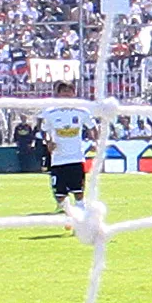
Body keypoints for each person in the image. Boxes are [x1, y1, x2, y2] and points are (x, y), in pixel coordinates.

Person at [35, 80, 96, 213]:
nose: (66, 94)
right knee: (60, 195)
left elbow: (93, 128)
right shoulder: (50, 113)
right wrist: (48, 141)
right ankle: (68, 213)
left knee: (78, 193)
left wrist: (95, 143)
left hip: (76, 158)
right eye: (64, 91)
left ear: (74, 93)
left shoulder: (82, 111)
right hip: (58, 159)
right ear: (58, 94)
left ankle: (80, 220)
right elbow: (44, 130)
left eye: (69, 91)